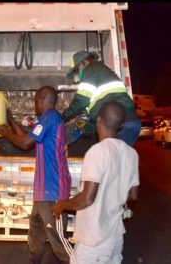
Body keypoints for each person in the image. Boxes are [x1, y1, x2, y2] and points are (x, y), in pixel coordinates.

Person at [52, 101, 139, 264]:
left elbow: (86, 199)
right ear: (120, 126)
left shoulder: (97, 152)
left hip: (93, 240)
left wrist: (61, 205)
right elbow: (133, 195)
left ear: (99, 121)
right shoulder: (131, 153)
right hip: (115, 237)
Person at [0, 86, 71, 264]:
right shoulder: (49, 120)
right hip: (43, 192)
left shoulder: (49, 116)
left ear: (43, 99)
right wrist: (11, 121)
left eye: (36, 101)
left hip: (53, 191)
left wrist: (4, 131)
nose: (35, 105)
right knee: (36, 233)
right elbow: (28, 138)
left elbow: (25, 143)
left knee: (58, 241)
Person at [63, 51, 141, 146]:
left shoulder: (91, 69)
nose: (77, 76)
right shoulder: (103, 70)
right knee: (120, 158)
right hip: (132, 122)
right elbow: (96, 114)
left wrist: (62, 117)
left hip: (116, 125)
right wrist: (86, 130)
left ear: (83, 63)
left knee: (110, 157)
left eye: (76, 70)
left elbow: (81, 101)